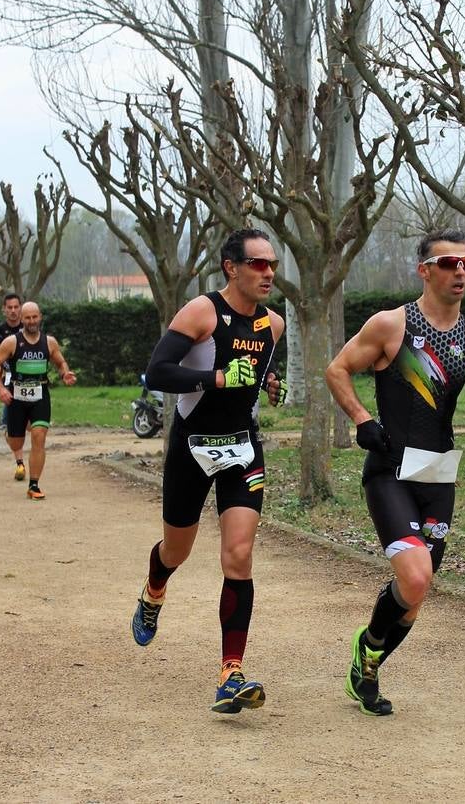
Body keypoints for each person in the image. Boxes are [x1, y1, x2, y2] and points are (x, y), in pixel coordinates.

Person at [326, 228, 465, 716]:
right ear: (424, 271)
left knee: (414, 594)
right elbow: (337, 369)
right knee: (417, 576)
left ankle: (369, 657)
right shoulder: (390, 325)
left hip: (438, 474)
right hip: (389, 470)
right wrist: (362, 421)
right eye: (448, 263)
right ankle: (369, 651)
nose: (459, 271)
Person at [131, 227, 287, 715]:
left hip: (242, 448)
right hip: (192, 447)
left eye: (273, 265)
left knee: (238, 555)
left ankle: (230, 672)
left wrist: (269, 383)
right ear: (231, 267)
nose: (267, 273)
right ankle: (154, 589)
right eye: (258, 264)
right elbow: (157, 372)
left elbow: (254, 372)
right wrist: (217, 378)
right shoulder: (201, 311)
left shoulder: (274, 325)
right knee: (177, 549)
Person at [0, 301, 76, 500]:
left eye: (35, 317)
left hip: (40, 395)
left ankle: (34, 484)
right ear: (22, 319)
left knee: (39, 436)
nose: (32, 321)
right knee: (15, 442)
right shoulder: (11, 342)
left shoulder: (49, 342)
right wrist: (0, 389)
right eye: (27, 318)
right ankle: (10, 432)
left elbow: (60, 361)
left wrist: (65, 373)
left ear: (40, 317)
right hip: (17, 397)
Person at [0, 293, 23, 433]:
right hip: (7, 371)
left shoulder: (28, 327)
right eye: (10, 307)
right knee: (10, 396)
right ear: (4, 309)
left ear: (20, 308)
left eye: (16, 307)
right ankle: (6, 422)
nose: (13, 311)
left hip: (26, 370)